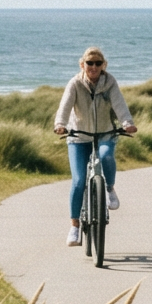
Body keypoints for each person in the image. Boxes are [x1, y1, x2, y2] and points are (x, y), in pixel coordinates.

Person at [52, 47, 135, 246]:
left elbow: (119, 104)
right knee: (79, 181)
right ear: (83, 65)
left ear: (103, 65)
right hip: (78, 136)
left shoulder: (109, 83)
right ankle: (74, 227)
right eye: (90, 63)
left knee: (106, 156)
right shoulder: (75, 83)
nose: (94, 67)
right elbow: (65, 107)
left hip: (105, 133)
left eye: (98, 63)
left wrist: (127, 123)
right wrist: (60, 124)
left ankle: (109, 188)